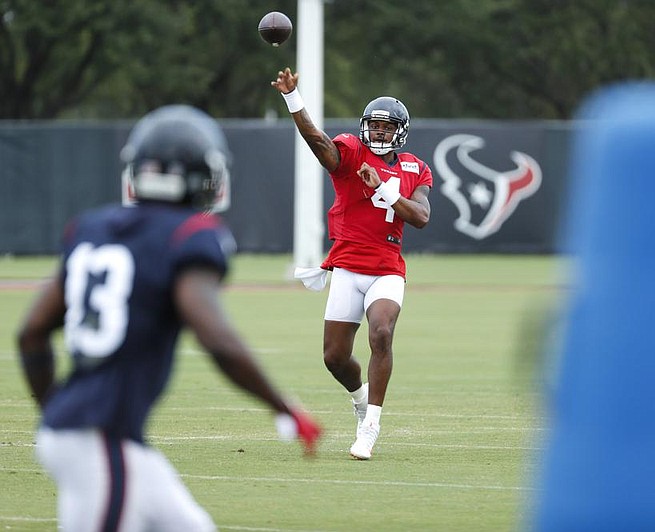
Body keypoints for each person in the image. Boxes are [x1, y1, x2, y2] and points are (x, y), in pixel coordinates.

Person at [16, 104, 322, 532]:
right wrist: (283, 406)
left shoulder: (92, 227)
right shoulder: (190, 235)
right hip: (99, 436)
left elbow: (31, 333)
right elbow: (216, 338)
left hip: (100, 435)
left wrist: (55, 411)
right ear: (205, 176)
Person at [271, 67, 432, 460]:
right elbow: (319, 144)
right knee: (334, 357)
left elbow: (421, 216)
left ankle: (372, 425)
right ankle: (360, 400)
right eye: (373, 126)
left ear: (400, 132)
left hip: (387, 270)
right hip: (347, 267)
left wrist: (385, 190)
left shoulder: (414, 168)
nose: (377, 133)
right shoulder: (350, 152)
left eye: (385, 127)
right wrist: (294, 100)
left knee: (381, 333)